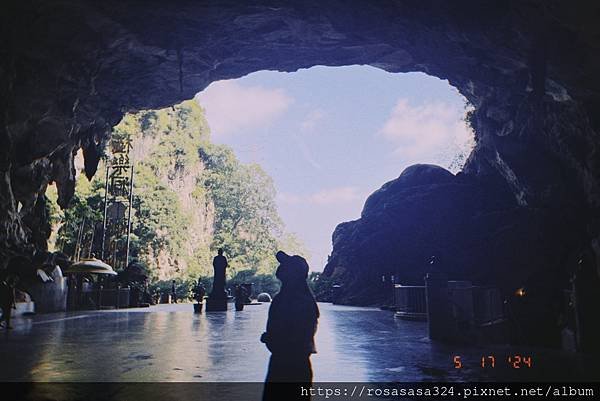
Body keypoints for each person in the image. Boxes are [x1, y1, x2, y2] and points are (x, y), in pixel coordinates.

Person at [261, 251, 319, 400]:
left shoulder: (288, 300)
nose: (281, 268)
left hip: (285, 365)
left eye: (286, 266)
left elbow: (291, 335)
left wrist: (270, 338)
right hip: (295, 364)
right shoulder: (305, 300)